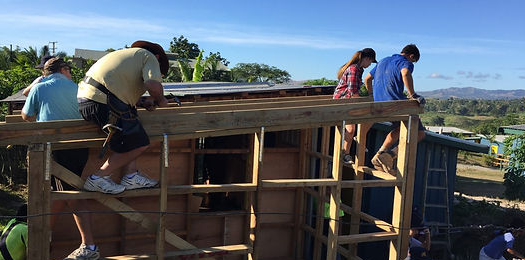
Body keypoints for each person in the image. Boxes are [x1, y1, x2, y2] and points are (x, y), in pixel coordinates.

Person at [21, 57, 99, 260]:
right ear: (63, 70)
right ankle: (42, 237)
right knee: (60, 192)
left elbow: (26, 116)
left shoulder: (40, 88)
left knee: (70, 194)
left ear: (47, 73)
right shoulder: (80, 88)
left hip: (55, 147)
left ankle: (89, 246)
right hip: (81, 147)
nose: (71, 73)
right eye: (69, 70)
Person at [77, 40, 169, 194]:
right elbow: (153, 85)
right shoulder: (150, 57)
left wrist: (140, 102)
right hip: (103, 101)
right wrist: (161, 100)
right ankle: (97, 178)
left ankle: (131, 176)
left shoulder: (125, 55)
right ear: (158, 57)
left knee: (130, 138)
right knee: (140, 143)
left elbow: (117, 89)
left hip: (89, 100)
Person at [364, 44, 426, 174]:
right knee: (420, 133)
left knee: (399, 128)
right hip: (394, 104)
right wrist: (413, 95)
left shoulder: (383, 61)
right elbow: (405, 73)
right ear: (411, 56)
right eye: (413, 61)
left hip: (379, 105)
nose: (412, 63)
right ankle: (390, 155)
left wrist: (372, 95)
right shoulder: (405, 63)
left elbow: (367, 78)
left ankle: (381, 153)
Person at [333, 48, 377, 165]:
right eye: (370, 62)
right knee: (352, 128)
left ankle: (355, 145)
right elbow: (353, 91)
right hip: (343, 101)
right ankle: (345, 153)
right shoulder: (353, 69)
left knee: (356, 126)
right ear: (367, 59)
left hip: (348, 101)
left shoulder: (358, 69)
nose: (369, 65)